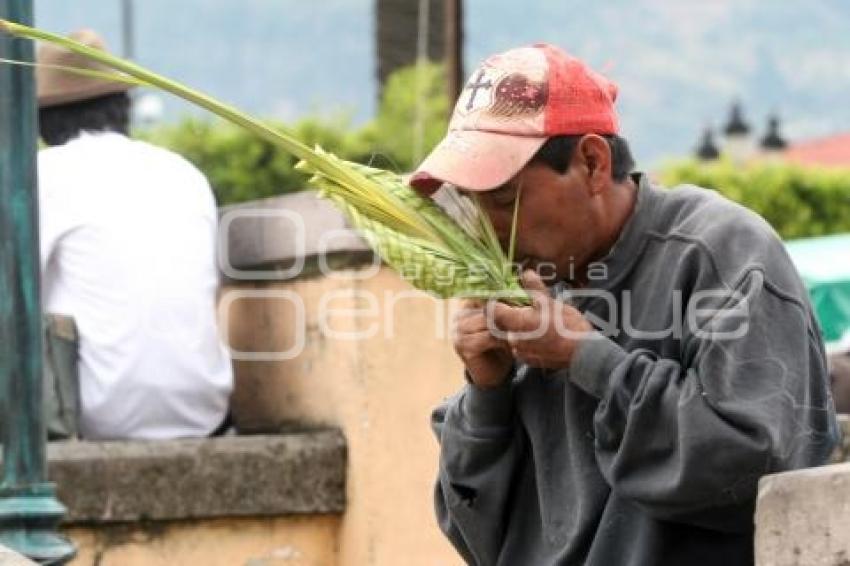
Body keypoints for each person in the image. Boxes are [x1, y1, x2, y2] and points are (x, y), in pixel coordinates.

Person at [410, 44, 838, 565]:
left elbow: (756, 468)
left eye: (503, 200)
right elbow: (478, 536)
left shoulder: (722, 254)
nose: (491, 230)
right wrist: (487, 393)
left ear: (592, 163)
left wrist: (586, 357)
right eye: (470, 204)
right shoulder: (531, 288)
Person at [36, 30, 233, 440]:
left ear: (38, 119)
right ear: (123, 105)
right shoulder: (184, 173)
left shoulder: (43, 175)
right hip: (205, 413)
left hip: (97, 415)